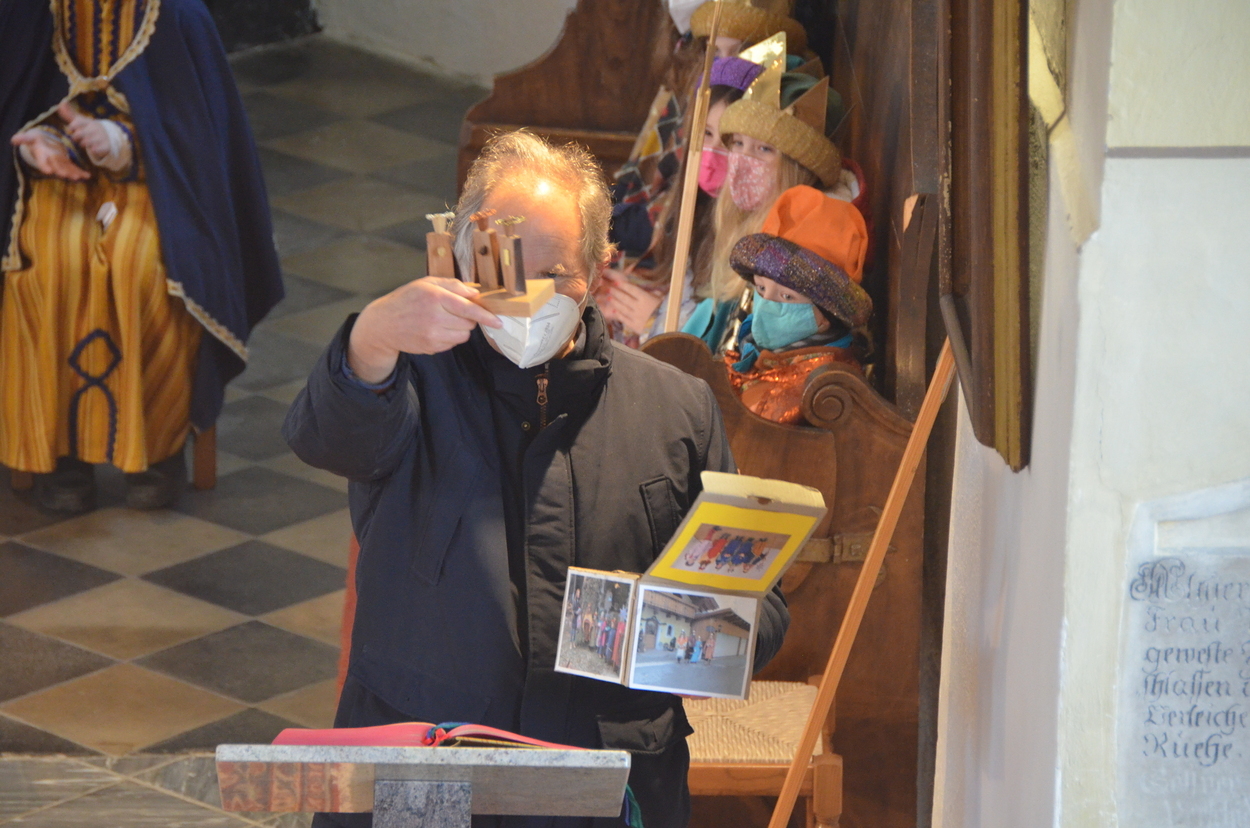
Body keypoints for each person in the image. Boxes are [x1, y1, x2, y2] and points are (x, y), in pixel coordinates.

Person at [283, 131, 790, 828]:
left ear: (599, 268)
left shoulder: (675, 409)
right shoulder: (410, 379)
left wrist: (699, 643)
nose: (527, 299)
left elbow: (757, 607)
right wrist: (369, 339)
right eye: (507, 270)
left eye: (557, 274)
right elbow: (327, 437)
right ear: (465, 258)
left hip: (603, 782)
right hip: (424, 772)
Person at [1, 0, 283, 512]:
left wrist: (119, 141)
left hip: (157, 186)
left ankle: (157, 447)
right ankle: (59, 451)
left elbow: (201, 138)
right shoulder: (26, 11)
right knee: (49, 264)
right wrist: (34, 144)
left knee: (143, 267)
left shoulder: (176, 16)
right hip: (52, 183)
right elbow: (12, 102)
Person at [725, 185, 873, 424]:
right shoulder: (766, 354)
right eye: (761, 288)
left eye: (787, 297)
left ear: (826, 315)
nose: (765, 303)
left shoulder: (814, 387)